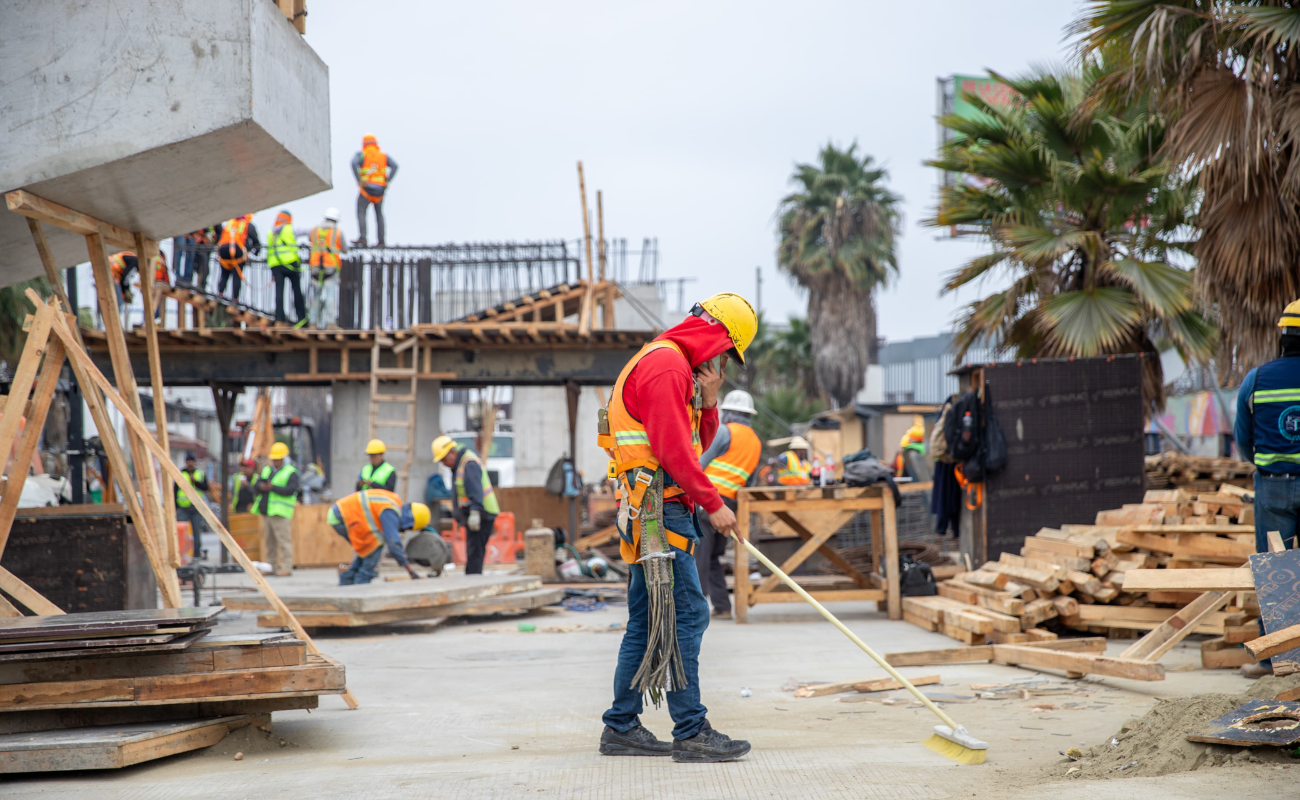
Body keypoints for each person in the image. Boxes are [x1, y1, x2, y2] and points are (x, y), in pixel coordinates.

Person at [596, 292, 756, 763]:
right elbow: (673, 454)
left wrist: (709, 403)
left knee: (647, 621)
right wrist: (713, 503)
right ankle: (691, 731)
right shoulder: (667, 367)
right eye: (725, 352)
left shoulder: (672, 365)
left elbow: (693, 444)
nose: (721, 362)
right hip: (660, 511)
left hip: (650, 509)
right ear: (717, 335)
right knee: (689, 614)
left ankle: (621, 726)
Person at [1234, 298, 1300, 678]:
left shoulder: (1256, 380)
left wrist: (1266, 462)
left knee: (1274, 570)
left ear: (1283, 337)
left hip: (1273, 486)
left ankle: (1272, 658)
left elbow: (1244, 440)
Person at [694, 389, 761, 619]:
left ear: (728, 414)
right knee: (713, 557)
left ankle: (696, 609)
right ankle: (722, 607)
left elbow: (700, 463)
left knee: (699, 555)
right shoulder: (755, 442)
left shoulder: (724, 431)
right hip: (731, 506)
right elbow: (749, 482)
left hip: (709, 501)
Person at [329, 489, 428, 584]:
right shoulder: (391, 511)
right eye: (409, 528)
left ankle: (346, 583)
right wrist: (410, 570)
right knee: (372, 556)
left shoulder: (394, 502)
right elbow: (394, 544)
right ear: (410, 521)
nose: (405, 531)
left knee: (366, 555)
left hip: (339, 512)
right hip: (342, 516)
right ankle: (359, 592)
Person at [432, 435, 498, 574]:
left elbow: (476, 490)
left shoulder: (469, 463)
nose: (444, 463)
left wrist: (475, 512)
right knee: (473, 549)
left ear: (452, 452)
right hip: (476, 513)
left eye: (444, 459)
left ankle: (473, 578)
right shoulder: (459, 465)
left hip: (482, 513)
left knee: (475, 550)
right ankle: (472, 575)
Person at [254, 442, 298, 576]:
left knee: (284, 541)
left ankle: (286, 567)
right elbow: (256, 485)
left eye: (278, 460)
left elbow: (291, 490)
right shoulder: (267, 470)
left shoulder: (291, 472)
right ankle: (270, 567)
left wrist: (272, 487)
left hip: (281, 512)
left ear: (284, 459)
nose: (275, 462)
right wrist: (261, 486)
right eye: (274, 459)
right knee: (269, 542)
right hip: (267, 511)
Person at [352, 134, 398, 247]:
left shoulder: (362, 155)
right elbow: (395, 166)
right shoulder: (383, 156)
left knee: (361, 212)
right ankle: (381, 241)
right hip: (380, 191)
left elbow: (353, 163)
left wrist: (359, 180)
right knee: (379, 215)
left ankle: (363, 238)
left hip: (366, 190)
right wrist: (388, 181)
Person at [266, 209, 307, 327]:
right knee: (296, 291)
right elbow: (307, 231)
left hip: (275, 265)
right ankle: (301, 318)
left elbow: (269, 250)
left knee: (279, 292)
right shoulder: (289, 229)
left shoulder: (270, 233)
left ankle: (279, 318)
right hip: (290, 263)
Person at [308, 207, 347, 328]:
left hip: (315, 266)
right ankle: (330, 323)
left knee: (316, 296)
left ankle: (313, 323)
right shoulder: (337, 232)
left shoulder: (314, 230)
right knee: (330, 296)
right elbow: (345, 249)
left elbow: (310, 241)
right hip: (330, 267)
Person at [215, 214, 260, 300]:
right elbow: (256, 243)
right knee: (237, 276)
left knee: (224, 274)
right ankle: (235, 299)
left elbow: (220, 237)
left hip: (223, 250)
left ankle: (220, 294)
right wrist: (255, 253)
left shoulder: (229, 223)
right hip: (238, 251)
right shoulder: (247, 224)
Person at [176, 453, 210, 558]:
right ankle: (180, 553)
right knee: (181, 532)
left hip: (196, 508)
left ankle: (196, 554)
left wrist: (196, 482)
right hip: (183, 508)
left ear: (194, 463)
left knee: (196, 533)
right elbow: (175, 490)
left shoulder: (200, 474)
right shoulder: (180, 473)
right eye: (188, 461)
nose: (190, 463)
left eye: (191, 461)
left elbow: (206, 487)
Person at [149, 250, 169, 324]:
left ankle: (155, 320)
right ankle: (150, 321)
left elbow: (164, 270)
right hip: (151, 282)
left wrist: (167, 282)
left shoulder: (161, 254)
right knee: (149, 304)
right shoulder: (149, 253)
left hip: (160, 281)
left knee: (157, 304)